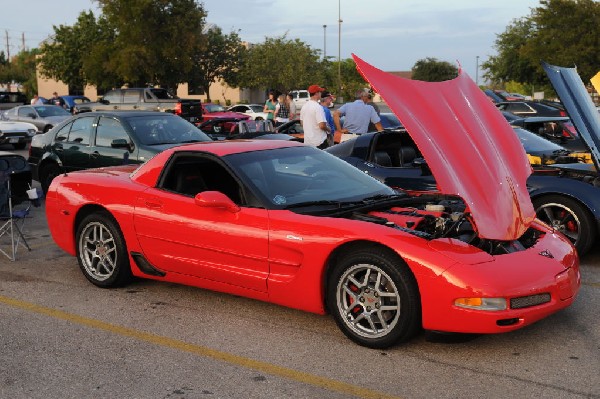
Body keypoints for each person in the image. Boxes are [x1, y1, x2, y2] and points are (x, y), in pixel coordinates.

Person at [300, 84, 330, 149]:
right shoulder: (318, 107)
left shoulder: (304, 106)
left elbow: (302, 123)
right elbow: (322, 125)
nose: (321, 94)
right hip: (319, 142)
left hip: (308, 142)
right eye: (320, 92)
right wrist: (328, 130)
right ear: (316, 93)